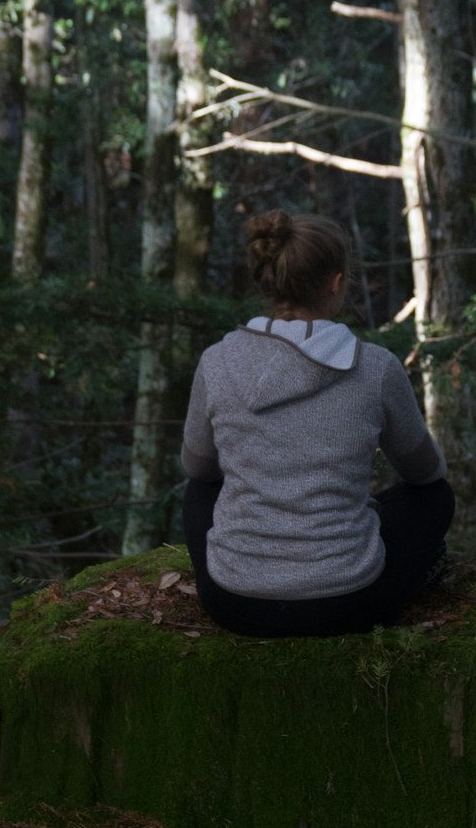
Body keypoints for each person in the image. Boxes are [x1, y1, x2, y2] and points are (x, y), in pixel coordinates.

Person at [181, 208, 454, 637]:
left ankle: (247, 566)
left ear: (268, 281)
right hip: (348, 605)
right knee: (435, 498)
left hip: (233, 603)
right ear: (336, 282)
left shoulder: (217, 362)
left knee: (198, 490)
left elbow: (198, 469)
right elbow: (425, 473)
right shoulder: (375, 367)